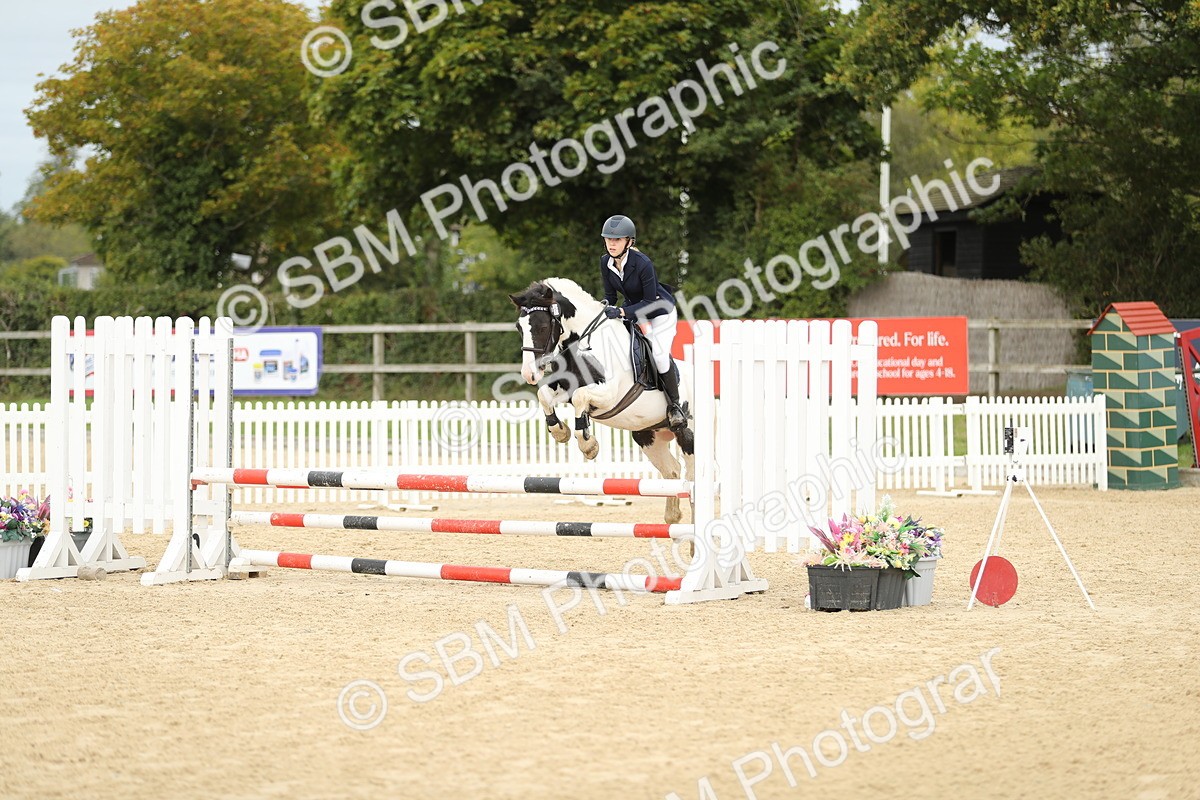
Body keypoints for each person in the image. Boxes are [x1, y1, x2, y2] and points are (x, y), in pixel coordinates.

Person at [598, 214, 686, 429]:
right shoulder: (605, 262)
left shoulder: (643, 263)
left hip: (660, 310)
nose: (611, 243)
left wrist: (621, 312)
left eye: (617, 239)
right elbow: (610, 295)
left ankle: (674, 406)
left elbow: (648, 301)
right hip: (632, 310)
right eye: (608, 239)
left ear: (629, 241)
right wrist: (603, 306)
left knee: (658, 353)